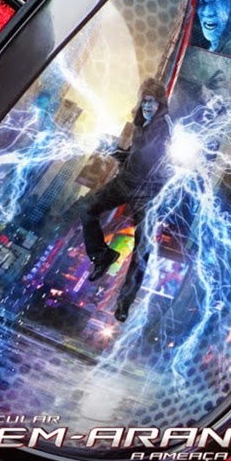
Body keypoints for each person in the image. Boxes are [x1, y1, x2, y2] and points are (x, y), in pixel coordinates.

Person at [79, 78, 171, 322]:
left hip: (147, 193)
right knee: (87, 208)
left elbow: (155, 158)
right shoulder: (141, 124)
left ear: (161, 104)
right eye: (145, 101)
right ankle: (102, 256)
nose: (147, 106)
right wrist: (118, 152)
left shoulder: (165, 128)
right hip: (125, 182)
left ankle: (124, 302)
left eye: (152, 102)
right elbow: (136, 156)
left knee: (142, 249)